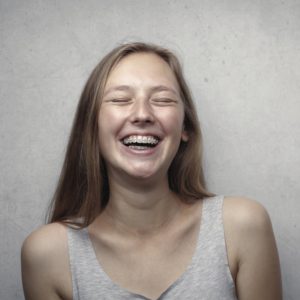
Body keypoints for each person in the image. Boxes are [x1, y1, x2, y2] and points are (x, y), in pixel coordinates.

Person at [21, 42, 282, 300]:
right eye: (121, 99)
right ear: (91, 126)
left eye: (162, 99)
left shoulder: (242, 227)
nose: (142, 114)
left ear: (185, 128)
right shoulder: (47, 255)